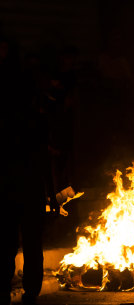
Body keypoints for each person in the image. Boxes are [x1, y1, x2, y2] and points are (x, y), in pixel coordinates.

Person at [1, 37, 59, 305]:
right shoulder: (37, 121)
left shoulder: (8, 121)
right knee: (32, 244)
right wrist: (51, 195)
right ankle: (31, 291)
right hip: (31, 190)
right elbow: (44, 161)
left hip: (11, 190)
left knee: (7, 242)